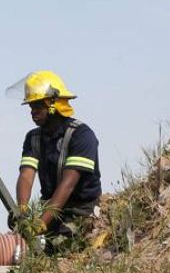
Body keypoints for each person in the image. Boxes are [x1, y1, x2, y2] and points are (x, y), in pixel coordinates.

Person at [9, 70, 102, 250]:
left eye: (37, 107)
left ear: (53, 105)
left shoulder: (81, 135)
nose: (33, 112)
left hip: (81, 213)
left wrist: (41, 223)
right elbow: (26, 175)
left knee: (68, 250)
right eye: (31, 107)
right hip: (52, 211)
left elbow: (68, 184)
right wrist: (21, 209)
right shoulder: (33, 138)